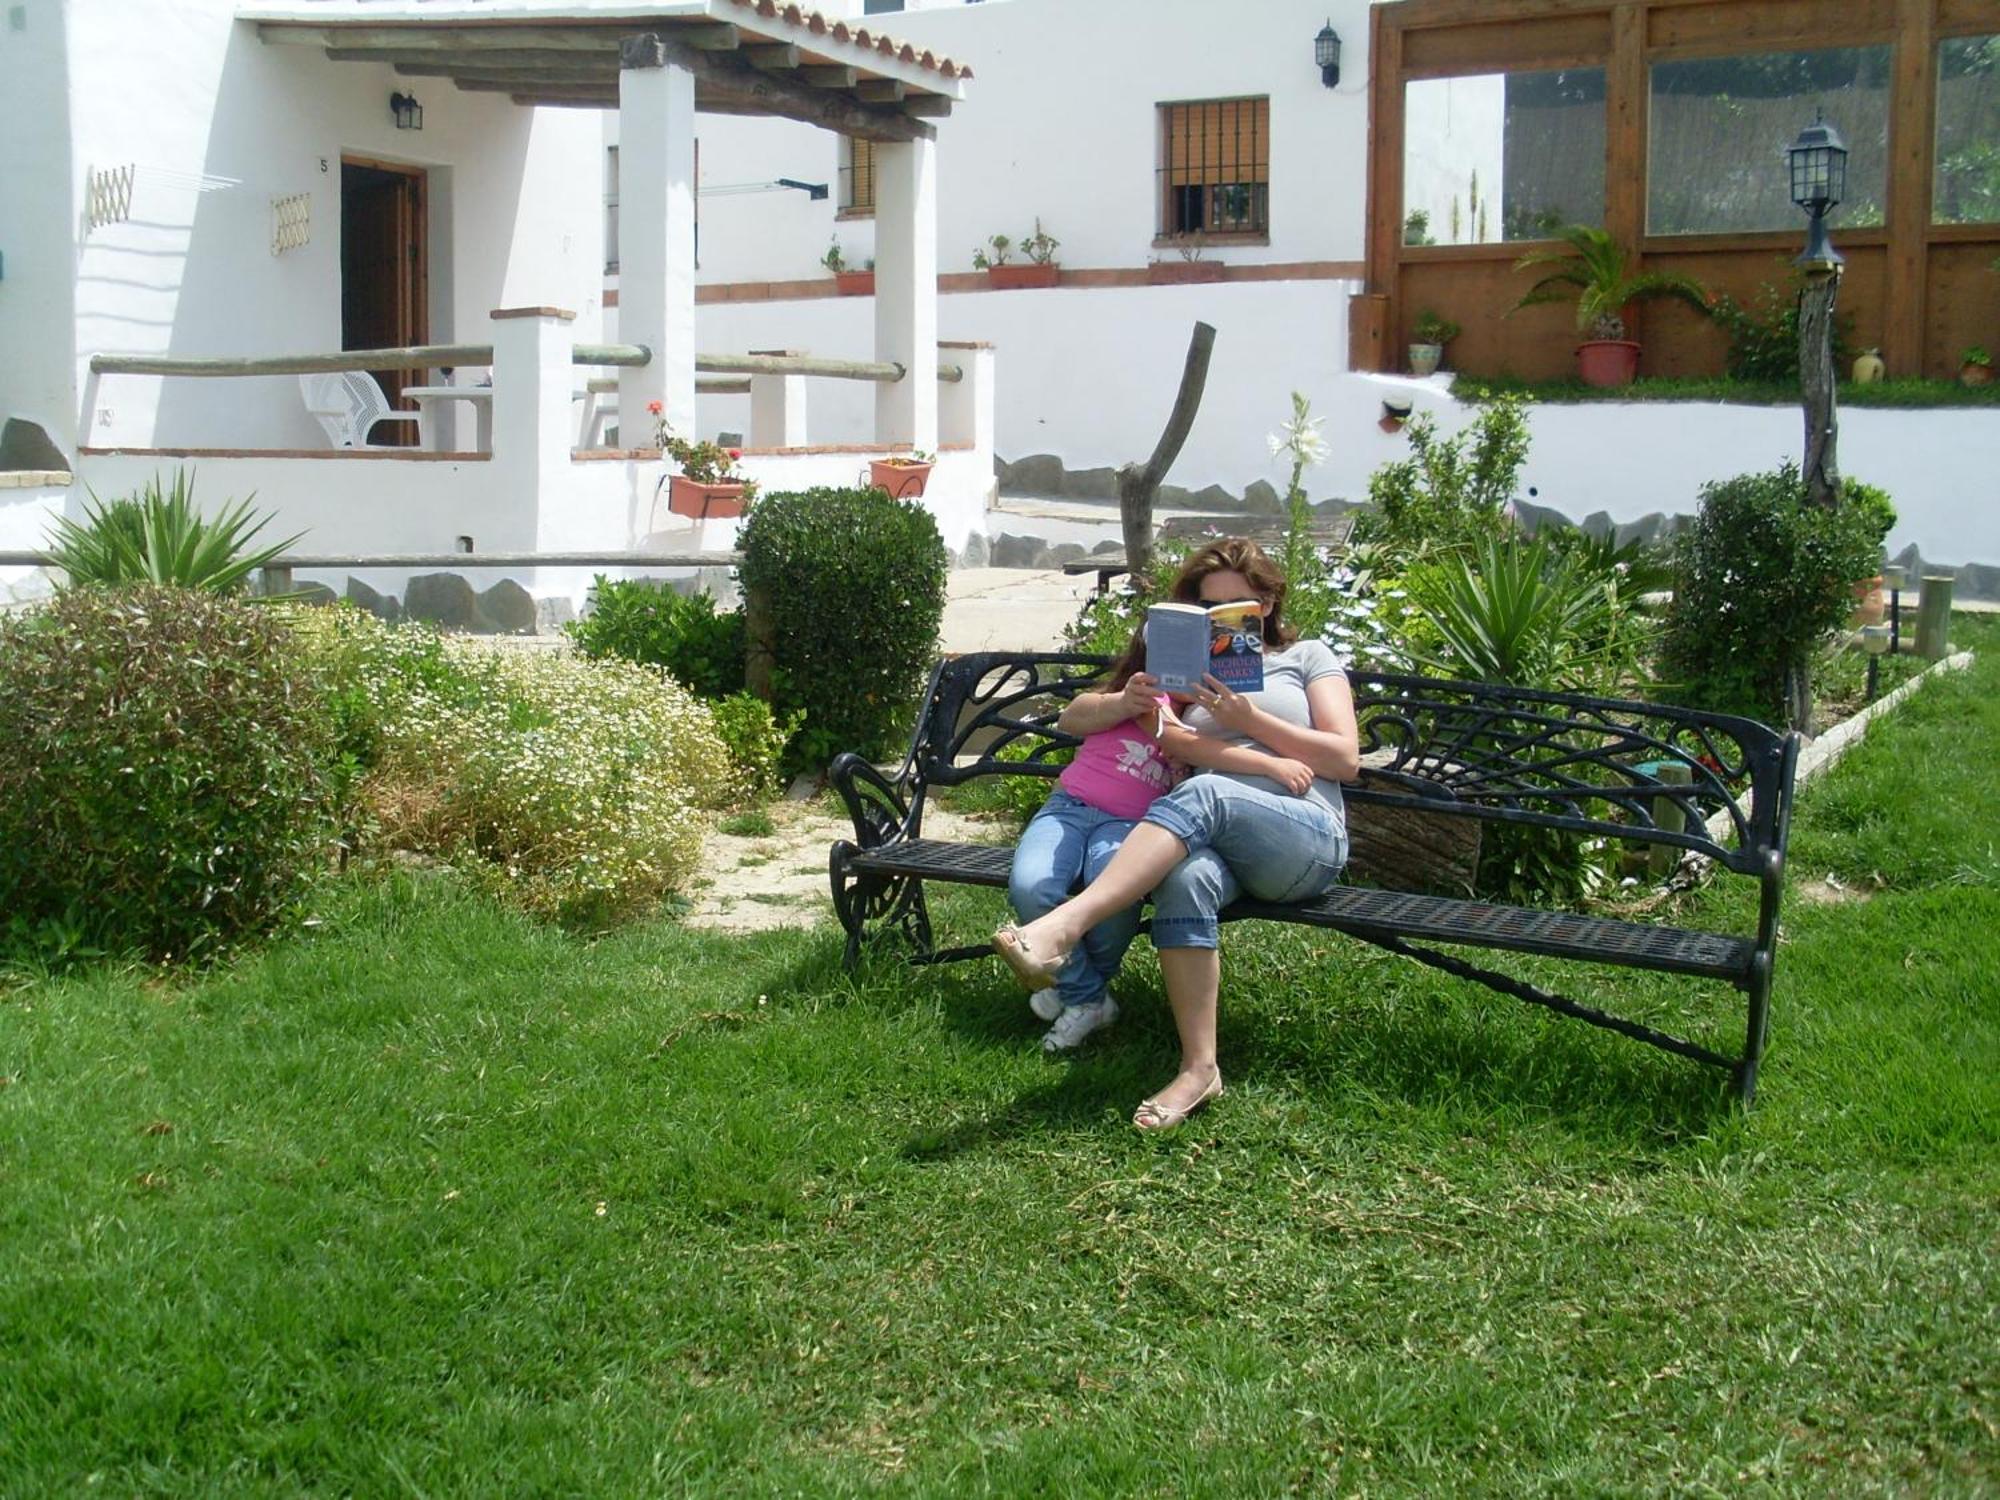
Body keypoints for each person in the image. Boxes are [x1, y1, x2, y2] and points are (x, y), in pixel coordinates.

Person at [993, 538, 1360, 1131]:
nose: (1223, 619)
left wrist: (1252, 722)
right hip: (1217, 836)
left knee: (1207, 791)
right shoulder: (1192, 680)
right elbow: (1173, 742)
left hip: (1304, 834)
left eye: (1236, 606)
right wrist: (1166, 702)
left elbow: (1345, 760)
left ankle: (1063, 925)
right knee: (1183, 879)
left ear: (1265, 603)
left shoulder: (1308, 657)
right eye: (1208, 607)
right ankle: (1200, 1068)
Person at [1005, 621, 1307, 1052]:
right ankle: (1087, 995)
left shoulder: (1204, 722)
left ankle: (1079, 992)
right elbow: (1073, 716)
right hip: (1069, 810)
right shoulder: (1140, 696)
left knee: (1116, 893)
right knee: (1031, 885)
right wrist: (1123, 701)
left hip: (1130, 825)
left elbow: (1192, 749)